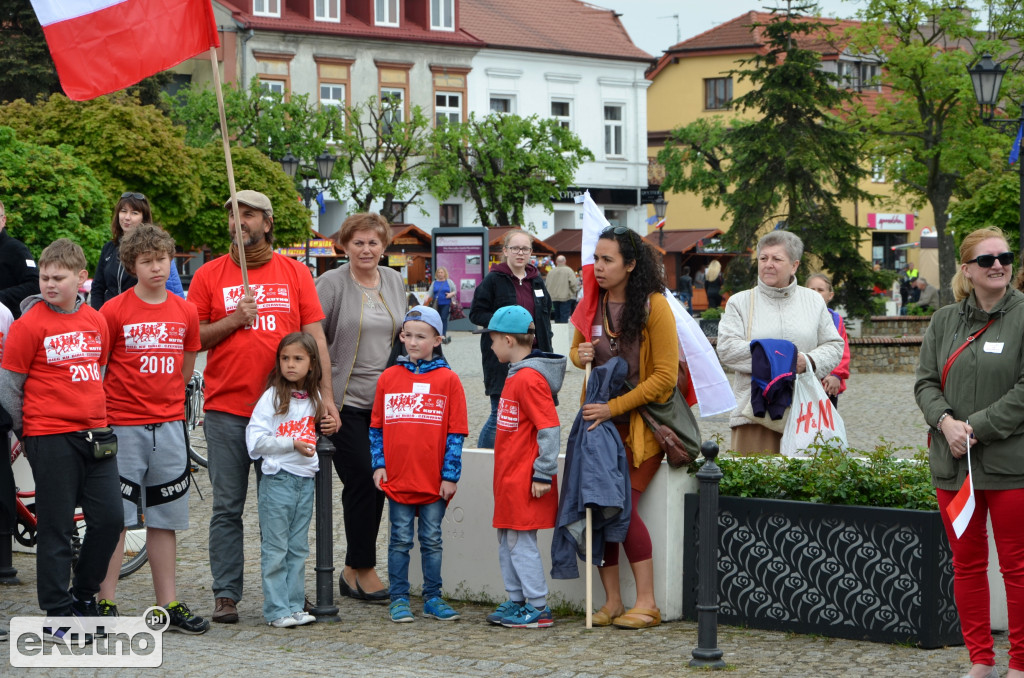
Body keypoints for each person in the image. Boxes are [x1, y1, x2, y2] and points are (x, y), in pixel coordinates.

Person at [188, 190, 336, 624]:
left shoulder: (295, 273)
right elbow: (194, 338)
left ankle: (289, 592)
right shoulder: (208, 276)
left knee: (287, 508)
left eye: (248, 214)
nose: (239, 222)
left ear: (267, 223)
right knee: (227, 507)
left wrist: (327, 399)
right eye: (233, 214)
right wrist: (234, 319)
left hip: (287, 413)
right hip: (227, 410)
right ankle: (226, 593)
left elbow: (317, 341)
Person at [917, 228, 1024, 678]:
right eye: (986, 260)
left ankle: (1020, 662)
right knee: (967, 564)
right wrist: (945, 423)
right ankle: (980, 659)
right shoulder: (944, 321)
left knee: (1017, 568)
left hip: (1011, 466)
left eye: (1004, 256)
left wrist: (975, 428)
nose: (997, 264)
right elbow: (925, 382)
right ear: (967, 270)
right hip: (954, 465)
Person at [0, 239, 121, 622]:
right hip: (48, 436)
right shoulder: (28, 324)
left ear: (81, 278)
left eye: (58, 277)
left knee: (110, 521)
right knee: (55, 526)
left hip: (96, 435)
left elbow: (98, 370)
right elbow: (9, 386)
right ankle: (57, 609)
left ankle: (84, 593)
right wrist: (30, 432)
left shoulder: (96, 320)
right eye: (44, 277)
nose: (49, 284)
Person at [95, 224, 208, 633]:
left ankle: (169, 604)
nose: (157, 267)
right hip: (123, 427)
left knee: (165, 519)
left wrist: (174, 402)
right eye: (147, 261)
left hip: (170, 428)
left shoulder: (185, 310)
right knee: (116, 520)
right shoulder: (114, 311)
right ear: (132, 265)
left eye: (162, 259)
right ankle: (104, 602)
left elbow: (189, 356)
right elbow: (101, 366)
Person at [572, 226, 677, 630]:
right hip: (598, 427)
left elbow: (664, 378)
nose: (597, 267)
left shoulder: (655, 306)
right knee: (599, 508)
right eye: (596, 258)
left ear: (631, 265)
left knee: (624, 508)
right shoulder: (590, 304)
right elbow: (578, 354)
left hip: (641, 429)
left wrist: (612, 407)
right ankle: (613, 601)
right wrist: (576, 351)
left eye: (607, 260)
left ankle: (647, 603)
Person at [317, 212, 407, 603]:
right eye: (358, 242)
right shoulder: (331, 283)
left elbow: (402, 335)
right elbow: (312, 339)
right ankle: (364, 567)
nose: (366, 249)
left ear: (384, 246)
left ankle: (353, 570)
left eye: (373, 242)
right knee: (361, 481)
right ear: (345, 246)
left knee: (380, 484)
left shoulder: (394, 280)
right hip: (344, 402)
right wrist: (324, 398)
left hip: (386, 404)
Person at [370, 306, 467, 624]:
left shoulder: (449, 380)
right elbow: (377, 427)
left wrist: (450, 475)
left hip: (433, 480)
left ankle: (432, 598)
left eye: (421, 336)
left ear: (438, 339)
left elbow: (456, 432)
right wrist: (379, 464)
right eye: (407, 335)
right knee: (398, 538)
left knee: (432, 539)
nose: (413, 342)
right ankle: (398, 598)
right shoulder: (388, 377)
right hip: (397, 478)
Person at [716, 231, 843, 455]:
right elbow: (726, 349)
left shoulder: (813, 301)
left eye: (777, 259)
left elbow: (834, 345)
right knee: (756, 487)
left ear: (794, 266)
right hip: (754, 417)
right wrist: (780, 358)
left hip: (805, 413)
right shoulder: (740, 302)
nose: (768, 265)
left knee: (805, 485)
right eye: (763, 258)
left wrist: (808, 360)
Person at [480, 306, 565, 629]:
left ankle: (538, 605)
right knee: (508, 540)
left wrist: (544, 472)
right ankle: (517, 600)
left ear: (507, 340)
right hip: (510, 478)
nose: (490, 347)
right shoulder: (517, 374)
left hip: (526, 478)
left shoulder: (528, 378)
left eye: (492, 341)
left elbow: (549, 427)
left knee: (520, 542)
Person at [246, 332, 335, 628]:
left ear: (312, 364)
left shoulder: (315, 398)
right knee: (276, 549)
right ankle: (276, 609)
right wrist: (290, 443)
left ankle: (295, 604)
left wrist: (331, 422)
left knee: (298, 548)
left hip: (305, 482)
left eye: (298, 359)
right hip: (278, 481)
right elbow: (255, 441)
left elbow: (324, 429)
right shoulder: (271, 396)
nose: (290, 365)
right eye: (285, 358)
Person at [469, 229, 553, 448]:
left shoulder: (536, 281)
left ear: (531, 252)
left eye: (525, 249)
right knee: (500, 414)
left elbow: (545, 317)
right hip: (502, 357)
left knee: (530, 413)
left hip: (534, 357)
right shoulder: (494, 280)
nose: (520, 253)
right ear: (505, 251)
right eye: (515, 248)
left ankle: (518, 454)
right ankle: (485, 457)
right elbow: (476, 313)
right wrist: (506, 321)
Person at [91, 192, 184, 309]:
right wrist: (100, 317)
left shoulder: (156, 247)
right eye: (123, 211)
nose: (127, 217)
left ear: (143, 218)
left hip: (140, 317)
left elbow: (173, 289)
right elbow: (98, 287)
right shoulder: (108, 248)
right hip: (110, 317)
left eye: (134, 213)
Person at [806, 273, 850, 409]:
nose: (816, 293)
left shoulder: (836, 320)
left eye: (820, 290)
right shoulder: (797, 318)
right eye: (812, 290)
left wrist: (837, 375)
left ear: (830, 295)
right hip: (804, 383)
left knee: (827, 426)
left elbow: (842, 351)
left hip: (828, 384)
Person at [0, 201, 38, 320]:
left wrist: (2, 296)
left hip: (9, 322)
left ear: (3, 220)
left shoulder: (16, 249)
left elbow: (35, 284)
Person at [545, 255, 580, 324]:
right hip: (565, 297)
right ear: (565, 261)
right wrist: (572, 293)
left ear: (556, 262)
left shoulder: (551, 272)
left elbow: (546, 284)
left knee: (557, 316)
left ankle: (558, 332)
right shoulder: (569, 271)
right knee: (564, 317)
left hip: (553, 297)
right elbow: (573, 284)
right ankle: (563, 333)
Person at [427, 267, 456, 343]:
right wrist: (425, 299)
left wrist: (450, 294)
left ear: (445, 273)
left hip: (446, 303)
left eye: (441, 272)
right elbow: (430, 292)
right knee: (436, 319)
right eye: (439, 272)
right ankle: (437, 334)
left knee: (443, 318)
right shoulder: (434, 282)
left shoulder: (449, 282)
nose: (440, 274)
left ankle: (443, 335)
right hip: (436, 305)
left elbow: (455, 291)